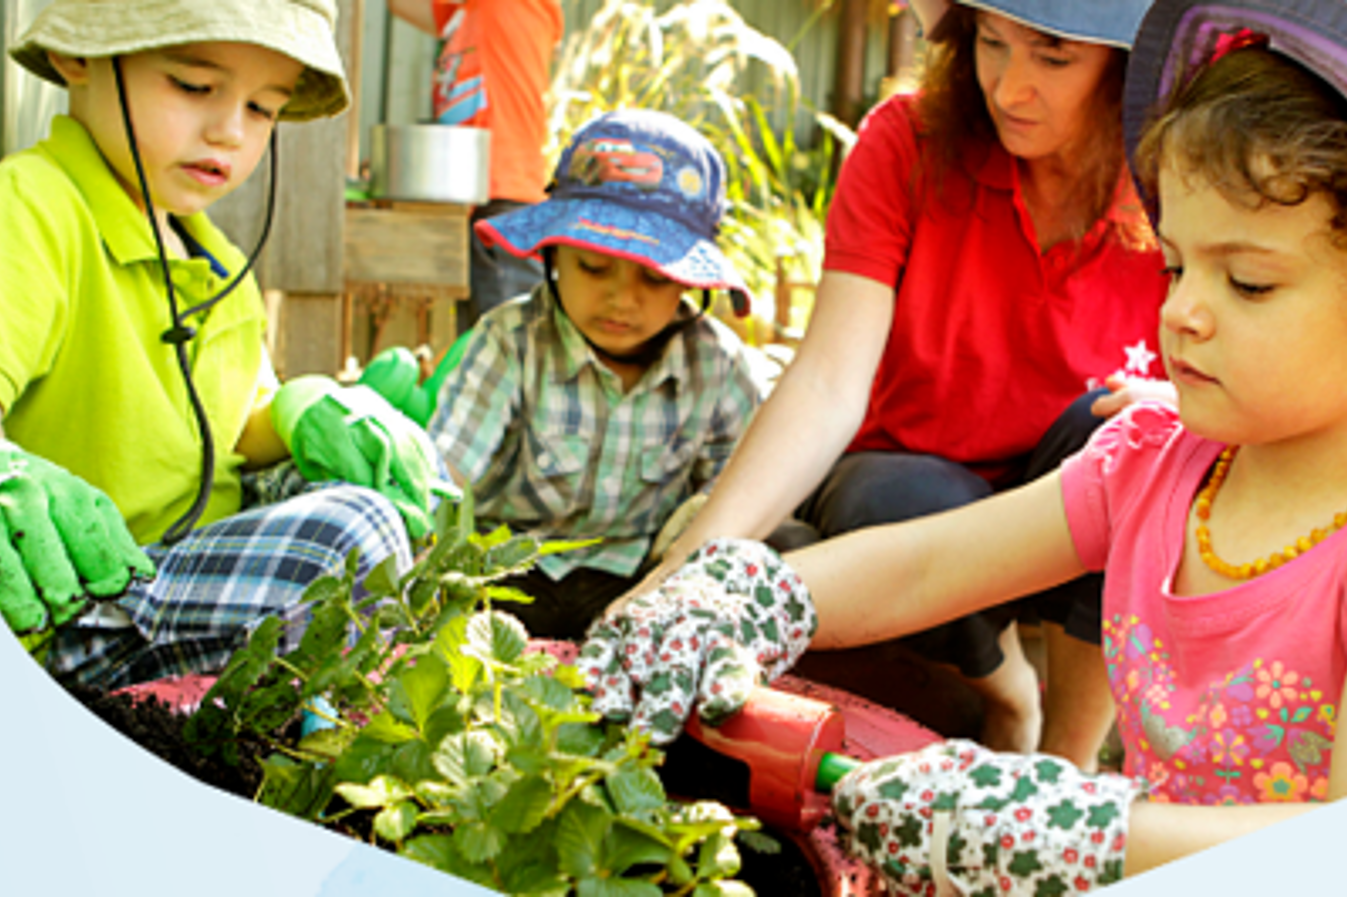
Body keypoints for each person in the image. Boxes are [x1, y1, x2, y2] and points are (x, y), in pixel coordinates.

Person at [577, 0, 1347, 890]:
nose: (1180, 312)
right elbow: (926, 561)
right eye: (1176, 263)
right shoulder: (1162, 461)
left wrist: (1085, 832)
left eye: (1249, 284)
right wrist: (754, 595)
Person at [632, 0, 1170, 758]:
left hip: (1065, 508)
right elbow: (826, 382)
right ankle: (1008, 689)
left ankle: (1072, 765)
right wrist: (684, 569)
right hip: (905, 492)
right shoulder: (905, 141)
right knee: (902, 496)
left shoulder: (1170, 182)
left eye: (1053, 58)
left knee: (1139, 439)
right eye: (990, 43)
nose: (1010, 88)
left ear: (1126, 72)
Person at [0, 0, 453, 690]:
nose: (229, 131)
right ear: (79, 55)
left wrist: (300, 407)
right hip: (73, 601)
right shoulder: (30, 206)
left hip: (180, 575)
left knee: (392, 488)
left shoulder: (219, 260)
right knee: (351, 533)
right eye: (194, 87)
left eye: (262, 108)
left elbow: (231, 431)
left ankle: (283, 701)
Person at [426, 108, 763, 640]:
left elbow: (743, 489)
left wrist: (687, 554)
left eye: (653, 278)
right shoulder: (511, 340)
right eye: (594, 268)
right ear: (553, 254)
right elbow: (446, 472)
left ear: (686, 284)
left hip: (639, 580)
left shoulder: (717, 367)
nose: (622, 299)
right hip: (509, 574)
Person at [386, 0, 564, 329]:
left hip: (504, 203)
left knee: (514, 354)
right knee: (482, 351)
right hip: (478, 199)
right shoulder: (463, 14)